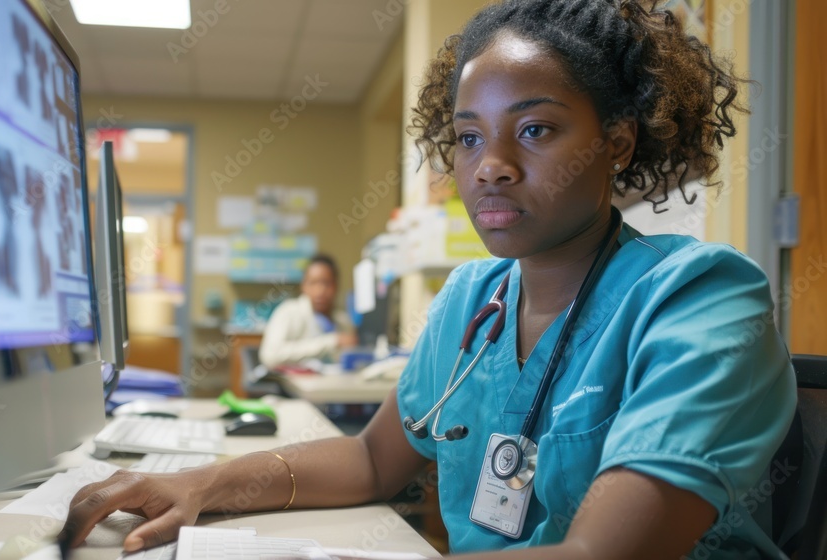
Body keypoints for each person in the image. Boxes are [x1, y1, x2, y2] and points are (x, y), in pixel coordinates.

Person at [59, 1, 797, 558]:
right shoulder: (474, 299)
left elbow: (597, 553)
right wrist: (203, 485)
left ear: (618, 142)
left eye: (535, 130)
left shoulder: (699, 297)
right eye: (469, 137)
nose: (490, 165)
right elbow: (371, 460)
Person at [258, 254, 358, 369]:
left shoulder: (343, 320)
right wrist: (331, 342)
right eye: (313, 283)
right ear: (303, 286)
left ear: (336, 286)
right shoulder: (289, 311)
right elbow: (270, 355)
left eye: (327, 283)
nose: (320, 291)